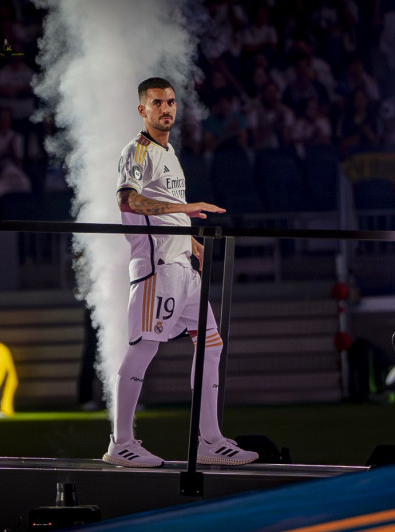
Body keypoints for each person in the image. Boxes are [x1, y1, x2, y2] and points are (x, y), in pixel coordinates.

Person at [103, 77, 258, 468]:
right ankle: (120, 443)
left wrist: (191, 242)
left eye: (171, 102)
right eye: (157, 103)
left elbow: (167, 208)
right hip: (157, 270)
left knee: (211, 345)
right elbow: (128, 201)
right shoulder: (137, 150)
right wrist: (186, 211)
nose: (166, 109)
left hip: (182, 269)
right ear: (142, 109)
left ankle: (210, 440)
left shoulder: (169, 152)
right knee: (143, 348)